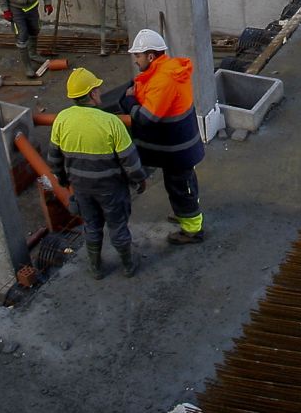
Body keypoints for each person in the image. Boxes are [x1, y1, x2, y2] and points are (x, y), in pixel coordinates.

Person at [108, 28, 206, 244]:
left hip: (177, 150)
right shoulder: (168, 70)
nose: (135, 60)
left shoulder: (163, 81)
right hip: (180, 147)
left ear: (150, 56)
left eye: (138, 55)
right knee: (181, 184)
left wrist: (128, 102)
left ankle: (192, 230)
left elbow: (146, 118)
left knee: (181, 188)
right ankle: (185, 215)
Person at [47, 67, 147, 279]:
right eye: (98, 90)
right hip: (111, 188)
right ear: (92, 94)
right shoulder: (111, 122)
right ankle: (128, 266)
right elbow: (130, 160)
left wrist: (64, 181)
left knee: (91, 227)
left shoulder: (62, 120)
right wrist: (139, 180)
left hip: (81, 189)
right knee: (118, 226)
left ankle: (95, 268)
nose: (100, 93)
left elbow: (54, 159)